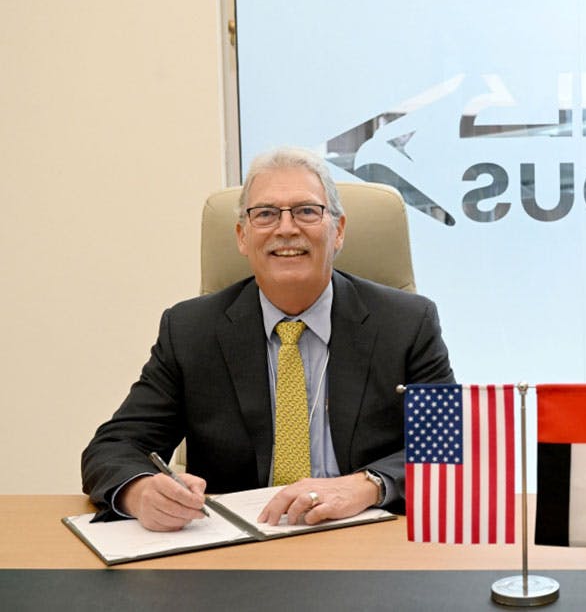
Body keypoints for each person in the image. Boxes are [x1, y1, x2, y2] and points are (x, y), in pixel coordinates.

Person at [82, 147, 454, 531]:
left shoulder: (407, 323)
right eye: (266, 214)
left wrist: (368, 484)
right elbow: (112, 448)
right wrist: (141, 492)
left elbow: (448, 449)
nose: (286, 228)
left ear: (338, 230)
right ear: (243, 237)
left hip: (364, 539)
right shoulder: (191, 331)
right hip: (237, 551)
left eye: (307, 211)